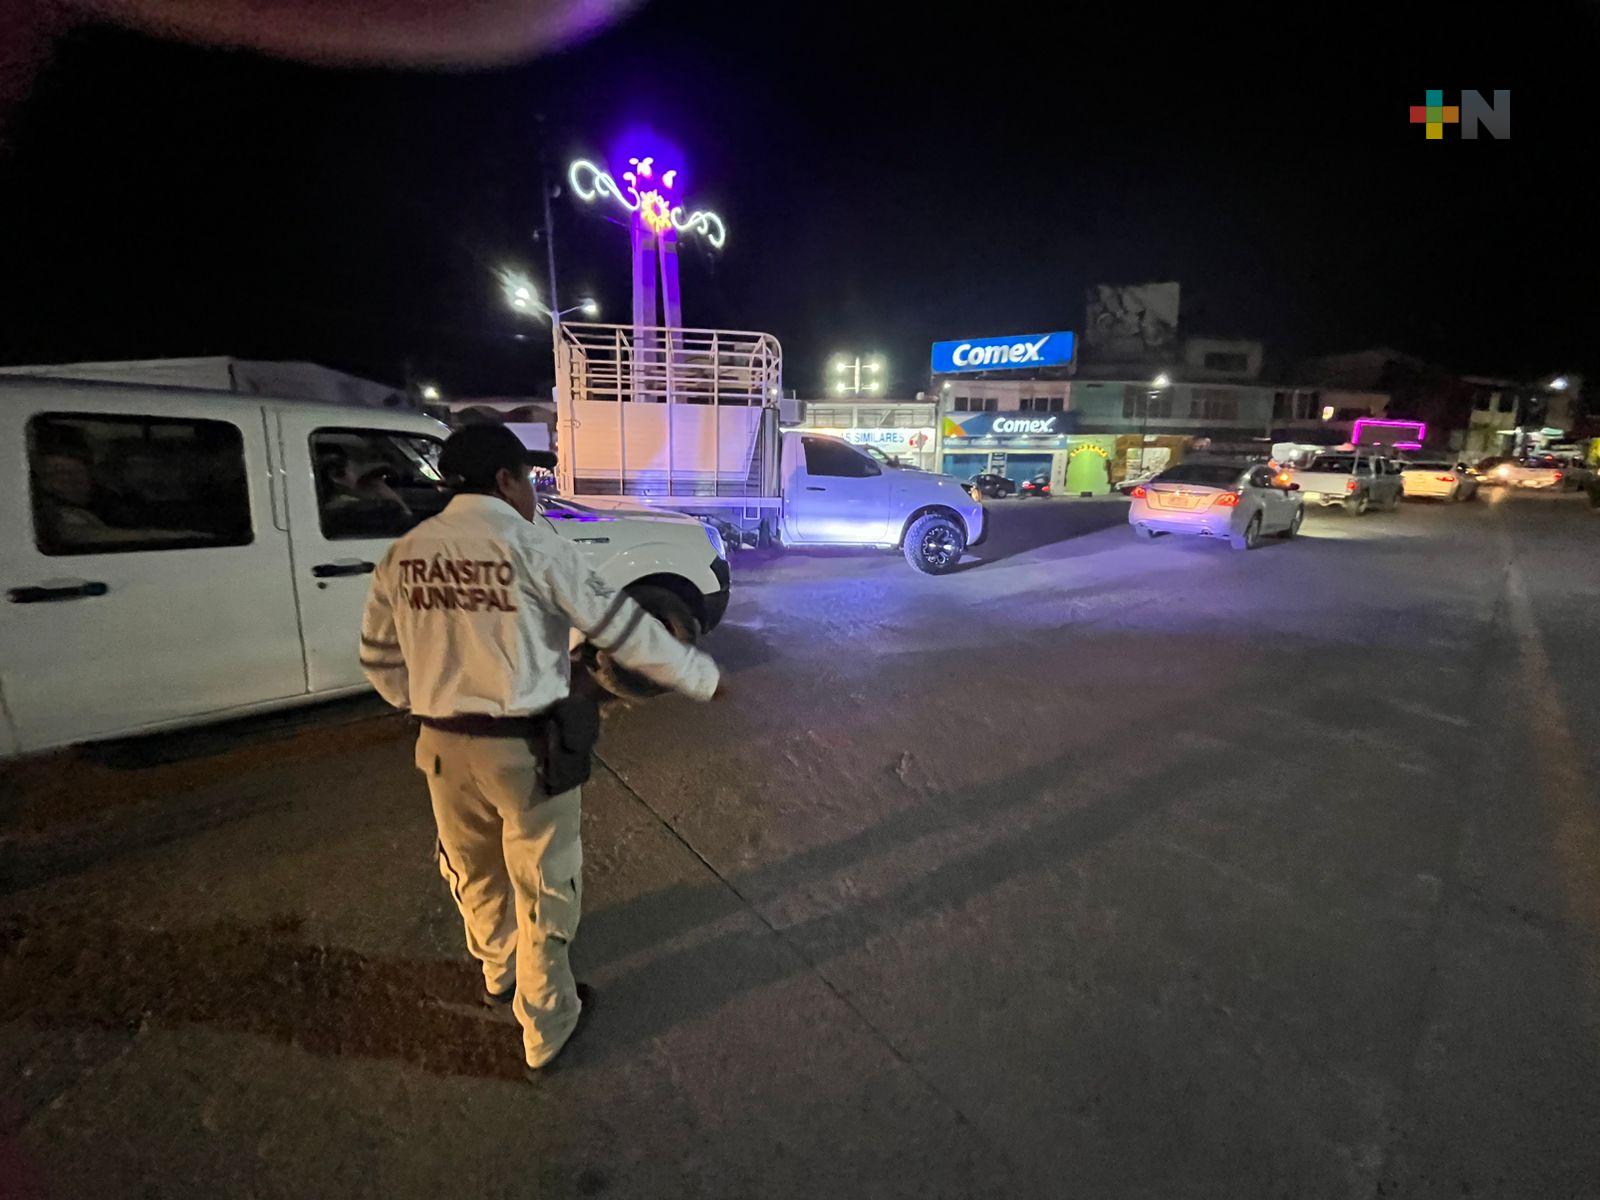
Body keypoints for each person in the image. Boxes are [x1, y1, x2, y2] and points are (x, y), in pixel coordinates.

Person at [358, 424, 720, 1079]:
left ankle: (497, 971)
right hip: (528, 751)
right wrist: (700, 677)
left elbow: (380, 663)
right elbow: (623, 630)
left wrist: (433, 702)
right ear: (504, 480)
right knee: (543, 884)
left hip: (441, 748)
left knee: (472, 870)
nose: (533, 491)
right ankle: (546, 1024)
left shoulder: (406, 554)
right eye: (529, 478)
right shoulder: (535, 547)